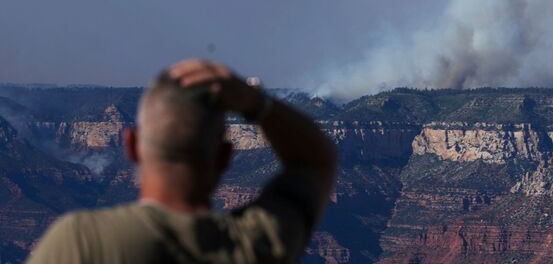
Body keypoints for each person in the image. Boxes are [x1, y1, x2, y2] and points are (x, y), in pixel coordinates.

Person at [28, 59, 338, 263]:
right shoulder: (255, 244)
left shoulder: (80, 241)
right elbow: (315, 161)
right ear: (225, 158)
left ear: (132, 145)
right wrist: (255, 102)